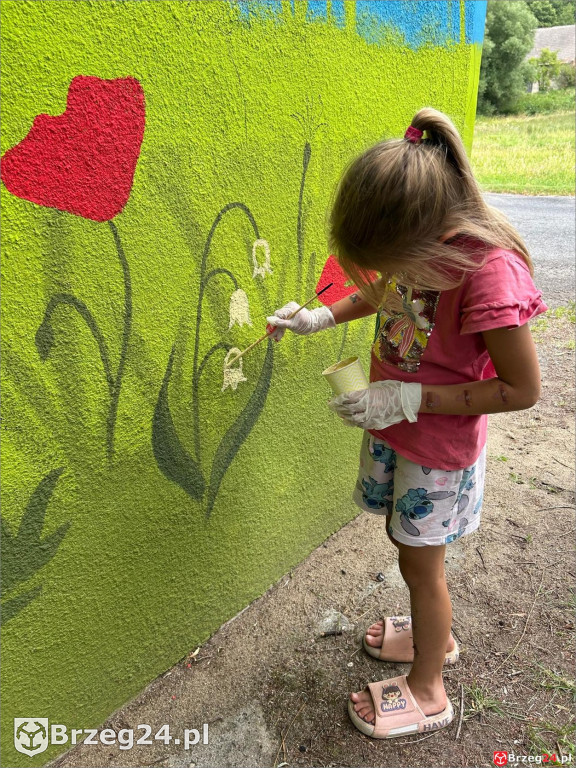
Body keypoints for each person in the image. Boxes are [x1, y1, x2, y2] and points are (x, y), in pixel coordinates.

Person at [265, 108, 548, 740]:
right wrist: (320, 318)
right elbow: (381, 293)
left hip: (438, 447)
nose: (390, 275)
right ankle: (432, 638)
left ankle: (429, 686)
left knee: (423, 567)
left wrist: (410, 398)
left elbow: (522, 389)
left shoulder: (488, 271)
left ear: (418, 234)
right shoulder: (418, 237)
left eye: (393, 261)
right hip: (402, 428)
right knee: (406, 547)